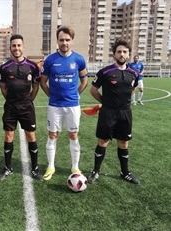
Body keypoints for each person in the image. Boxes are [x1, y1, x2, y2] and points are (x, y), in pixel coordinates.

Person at [88, 39, 140, 185]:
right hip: (108, 112)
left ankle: (125, 172)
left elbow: (132, 89)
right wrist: (105, 102)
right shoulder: (105, 72)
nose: (122, 54)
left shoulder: (134, 73)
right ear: (114, 54)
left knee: (123, 143)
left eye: (124, 52)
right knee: (103, 142)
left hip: (125, 113)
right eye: (119, 52)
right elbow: (93, 90)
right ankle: (95, 171)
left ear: (128, 54)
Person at [40, 26, 88, 181]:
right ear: (57, 41)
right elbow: (43, 82)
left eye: (67, 40)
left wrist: (76, 94)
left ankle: (75, 167)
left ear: (72, 41)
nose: (64, 43)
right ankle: (51, 166)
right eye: (61, 40)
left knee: (73, 134)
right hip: (54, 105)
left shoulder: (79, 59)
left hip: (72, 105)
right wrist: (51, 95)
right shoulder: (50, 60)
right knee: (52, 134)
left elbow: (84, 80)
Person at [0, 34, 43, 181]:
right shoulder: (4, 68)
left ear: (23, 47)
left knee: (31, 136)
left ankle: (35, 169)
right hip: (11, 107)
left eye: (19, 45)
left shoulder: (32, 67)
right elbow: (3, 88)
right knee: (8, 136)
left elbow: (36, 86)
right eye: (13, 46)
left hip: (27, 107)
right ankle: (8, 167)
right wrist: (10, 100)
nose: (16, 48)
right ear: (10, 48)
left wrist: (29, 100)